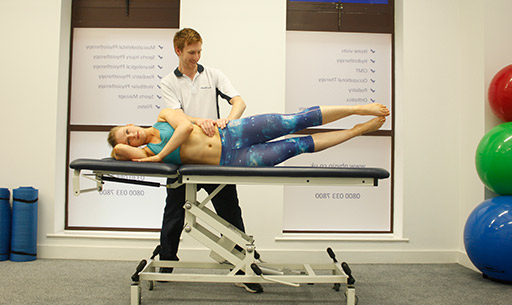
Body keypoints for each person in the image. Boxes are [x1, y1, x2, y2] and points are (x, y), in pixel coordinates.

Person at [156, 28, 260, 293]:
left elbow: (239, 102)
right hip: (183, 157)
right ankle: (166, 263)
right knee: (174, 214)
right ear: (178, 51)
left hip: (214, 157)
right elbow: (175, 116)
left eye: (199, 51)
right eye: (191, 52)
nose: (196, 57)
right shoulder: (168, 82)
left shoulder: (213, 75)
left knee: (230, 212)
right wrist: (199, 121)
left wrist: (229, 122)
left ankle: (245, 265)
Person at [108, 103, 389, 166]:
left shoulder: (164, 115)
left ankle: (357, 108)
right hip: (234, 158)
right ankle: (356, 131)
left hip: (234, 132)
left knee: (295, 120)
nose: (131, 136)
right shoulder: (145, 153)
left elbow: (183, 128)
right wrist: (116, 148)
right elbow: (120, 153)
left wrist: (162, 156)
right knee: (299, 145)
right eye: (127, 139)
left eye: (127, 130)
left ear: (130, 122)